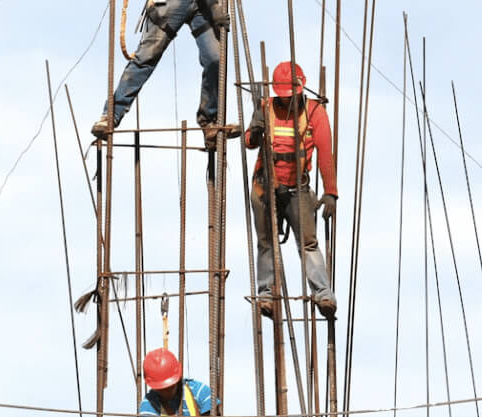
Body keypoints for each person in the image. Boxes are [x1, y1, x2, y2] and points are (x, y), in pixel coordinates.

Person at [245, 61, 337, 318]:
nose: (287, 100)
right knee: (266, 242)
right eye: (283, 96)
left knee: (308, 244)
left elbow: (325, 154)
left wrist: (330, 192)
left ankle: (323, 294)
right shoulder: (266, 108)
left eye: (291, 95)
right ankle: (266, 294)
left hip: (298, 189)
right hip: (265, 187)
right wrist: (256, 129)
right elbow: (249, 142)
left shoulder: (315, 112)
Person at [91, 0, 231, 140]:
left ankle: (209, 121)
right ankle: (111, 116)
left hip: (203, 6)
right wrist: (214, 7)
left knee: (216, 59)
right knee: (146, 57)